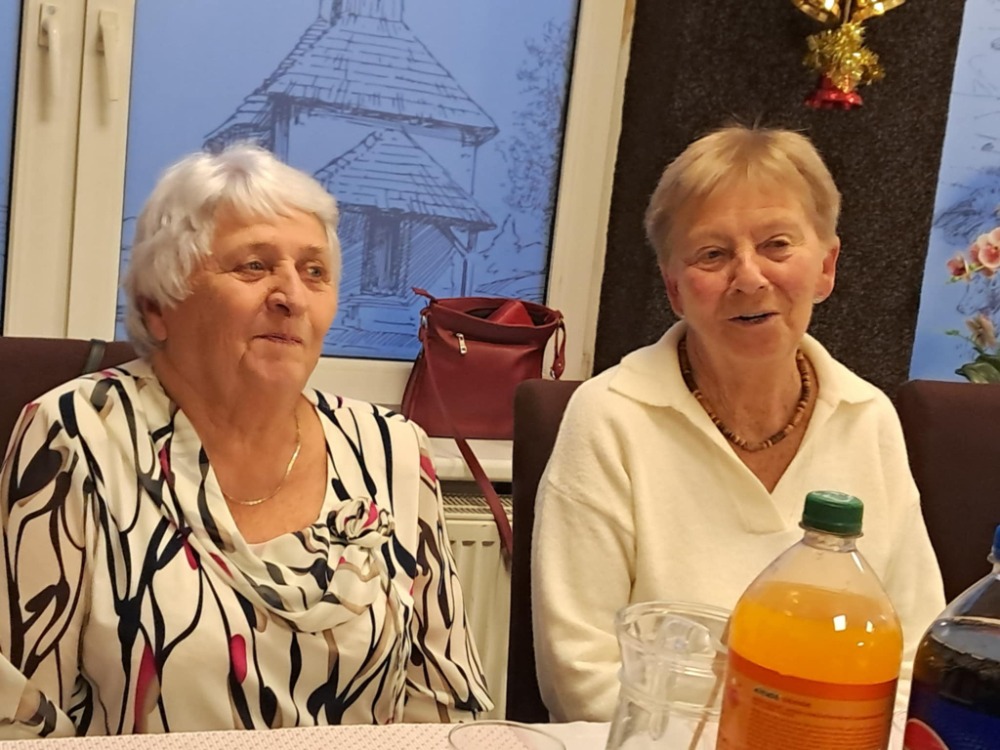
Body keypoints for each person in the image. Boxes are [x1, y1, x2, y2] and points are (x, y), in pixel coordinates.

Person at [0, 145, 491, 738]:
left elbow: (445, 706)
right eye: (254, 266)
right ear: (158, 309)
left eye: (314, 272)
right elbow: (23, 719)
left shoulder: (392, 450)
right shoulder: (77, 435)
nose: (292, 297)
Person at [531, 125, 945, 722]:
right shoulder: (609, 418)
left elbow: (912, 660)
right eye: (713, 254)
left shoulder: (870, 419)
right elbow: (582, 676)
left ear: (826, 267)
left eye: (777, 245)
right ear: (675, 289)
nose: (749, 277)